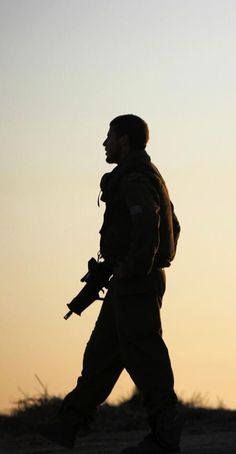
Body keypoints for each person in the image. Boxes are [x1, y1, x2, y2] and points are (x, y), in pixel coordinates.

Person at [38, 115, 182, 453]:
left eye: (110, 137)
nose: (105, 144)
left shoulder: (133, 178)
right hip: (129, 279)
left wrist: (133, 267)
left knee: (145, 356)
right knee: (101, 356)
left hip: (136, 281)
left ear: (125, 140)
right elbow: (174, 225)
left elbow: (150, 226)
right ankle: (68, 423)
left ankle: (165, 435)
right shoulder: (147, 175)